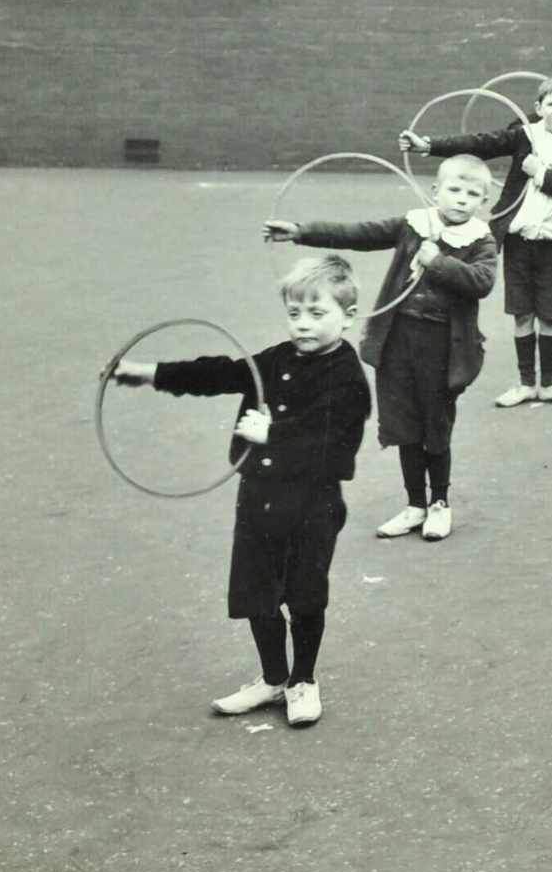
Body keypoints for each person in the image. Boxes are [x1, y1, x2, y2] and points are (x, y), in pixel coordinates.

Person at [107, 254, 371, 725]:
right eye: (294, 313)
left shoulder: (348, 375)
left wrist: (274, 434)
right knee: (256, 593)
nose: (303, 324)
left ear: (347, 316)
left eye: (317, 313)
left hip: (312, 506)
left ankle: (303, 680)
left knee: (305, 596)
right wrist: (151, 373)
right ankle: (273, 678)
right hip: (259, 500)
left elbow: (335, 445)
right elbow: (222, 373)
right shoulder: (278, 357)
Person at [266, 153, 498, 542]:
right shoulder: (414, 224)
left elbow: (482, 281)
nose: (461, 199)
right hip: (398, 341)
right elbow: (359, 233)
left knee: (436, 424)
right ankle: (415, 504)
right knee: (404, 424)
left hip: (442, 347)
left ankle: (439, 503)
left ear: (483, 201)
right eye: (454, 190)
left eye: (472, 194)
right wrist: (300, 232)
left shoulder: (481, 239)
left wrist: (437, 261)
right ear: (435, 191)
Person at [404, 78, 552, 409]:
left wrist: (540, 173)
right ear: (538, 108)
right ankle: (526, 383)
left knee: (550, 317)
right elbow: (482, 143)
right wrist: (429, 145)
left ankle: (549, 383)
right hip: (519, 242)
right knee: (522, 313)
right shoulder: (527, 135)